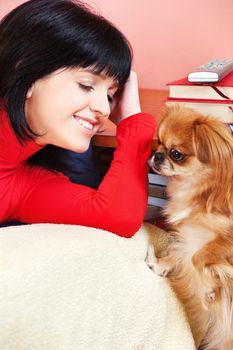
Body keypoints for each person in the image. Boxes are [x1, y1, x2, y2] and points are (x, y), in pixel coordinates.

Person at [0, 0, 156, 237]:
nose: (103, 108)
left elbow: (118, 218)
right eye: (86, 85)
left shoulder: (23, 186)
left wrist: (132, 121)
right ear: (25, 74)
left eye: (110, 96)